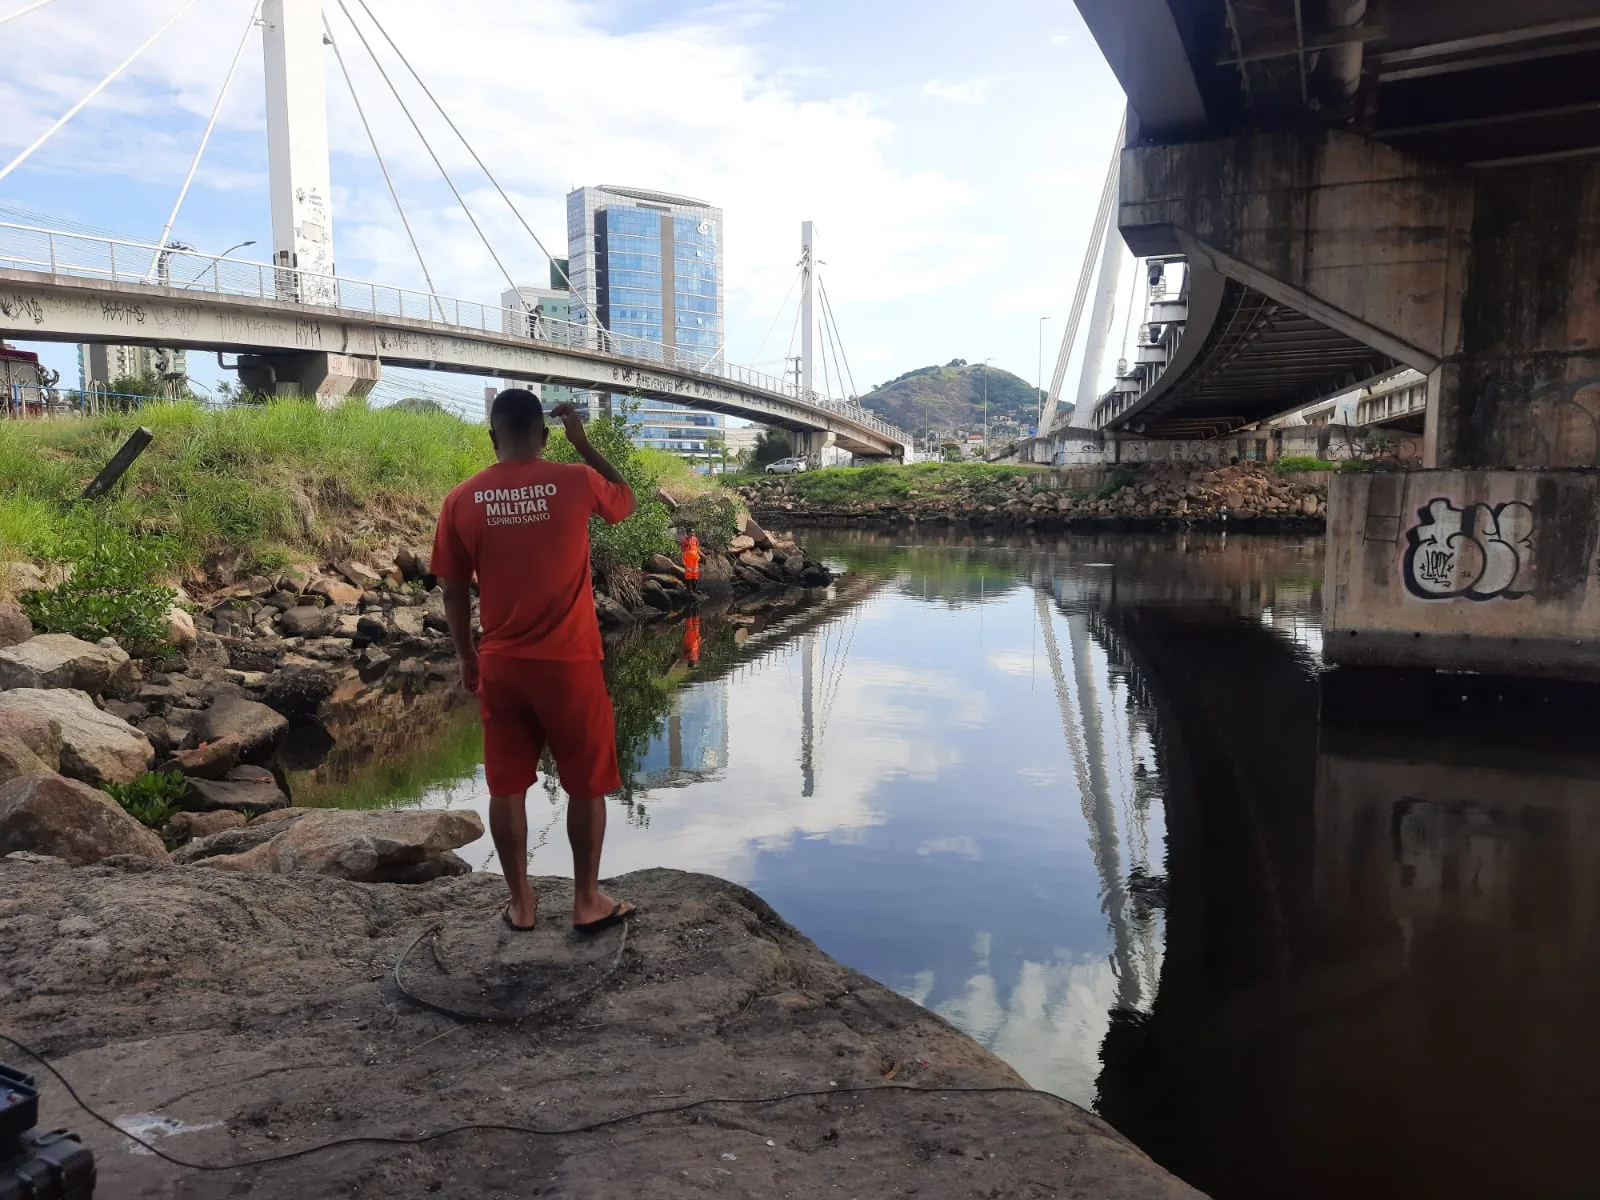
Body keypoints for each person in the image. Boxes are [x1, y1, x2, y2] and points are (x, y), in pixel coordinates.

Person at [431, 389, 637, 935]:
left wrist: (467, 657)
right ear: (544, 437)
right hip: (570, 665)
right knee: (586, 784)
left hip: (502, 664)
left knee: (507, 786)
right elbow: (624, 498)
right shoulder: (574, 479)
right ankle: (587, 899)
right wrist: (585, 444)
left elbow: (453, 593)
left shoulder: (462, 499)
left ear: (493, 436)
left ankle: (521, 905)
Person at [678, 524, 701, 589]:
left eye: (693, 532)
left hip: (695, 559)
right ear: (688, 533)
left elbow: (698, 549)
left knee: (695, 574)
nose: (693, 533)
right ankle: (689, 589)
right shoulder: (684, 541)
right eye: (691, 532)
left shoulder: (696, 539)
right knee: (688, 574)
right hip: (688, 560)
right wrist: (683, 561)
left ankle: (695, 588)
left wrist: (703, 555)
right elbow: (682, 551)